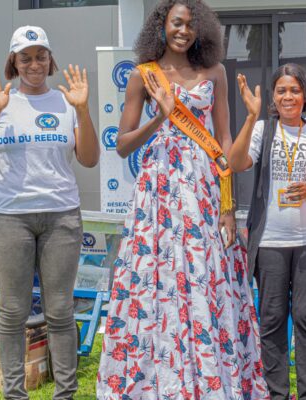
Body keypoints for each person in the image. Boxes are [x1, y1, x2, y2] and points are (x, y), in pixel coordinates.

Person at [96, 1, 269, 398]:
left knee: (206, 275)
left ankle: (210, 378)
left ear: (201, 30)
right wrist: (161, 116)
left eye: (191, 25)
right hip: (158, 189)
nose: (184, 31)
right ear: (162, 25)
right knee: (157, 276)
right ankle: (156, 381)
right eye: (177, 23)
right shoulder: (143, 75)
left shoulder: (215, 72)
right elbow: (122, 144)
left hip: (203, 188)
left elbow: (223, 142)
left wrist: (228, 206)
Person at [0, 25, 98, 399]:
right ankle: (15, 395)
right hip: (9, 219)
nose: (34, 64)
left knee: (60, 311)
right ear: (14, 62)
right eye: (26, 57)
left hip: (61, 217)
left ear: (50, 60)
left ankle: (65, 393)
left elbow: (89, 158)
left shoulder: (67, 102)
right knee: (12, 312)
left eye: (40, 56)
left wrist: (83, 110)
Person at [228, 64, 306, 400]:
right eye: (281, 90)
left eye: (294, 90)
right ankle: (277, 394)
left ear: (305, 96)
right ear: (273, 96)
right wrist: (250, 117)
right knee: (272, 320)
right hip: (269, 242)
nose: (288, 96)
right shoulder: (263, 129)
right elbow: (236, 163)